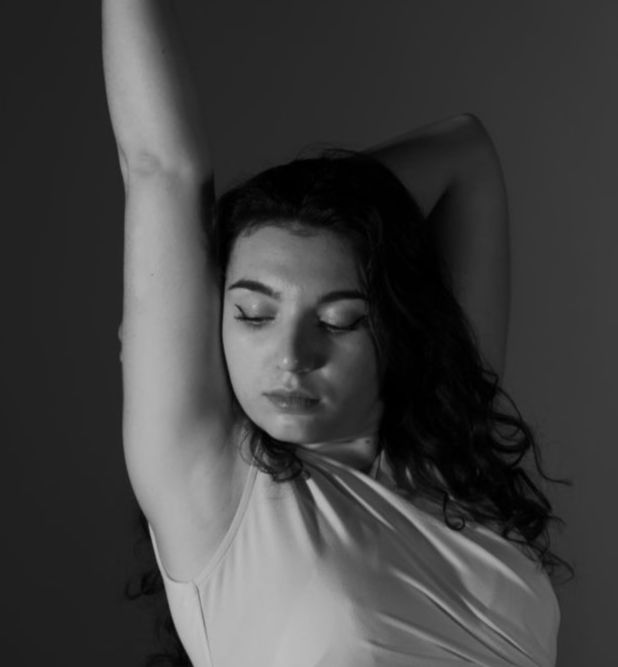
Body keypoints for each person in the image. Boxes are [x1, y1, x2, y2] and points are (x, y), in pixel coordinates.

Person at [102, 1, 570, 666]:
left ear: (400, 326)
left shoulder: (450, 460)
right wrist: (240, 236)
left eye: (339, 320)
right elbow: (161, 167)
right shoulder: (209, 479)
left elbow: (465, 151)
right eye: (254, 313)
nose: (292, 356)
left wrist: (328, 221)